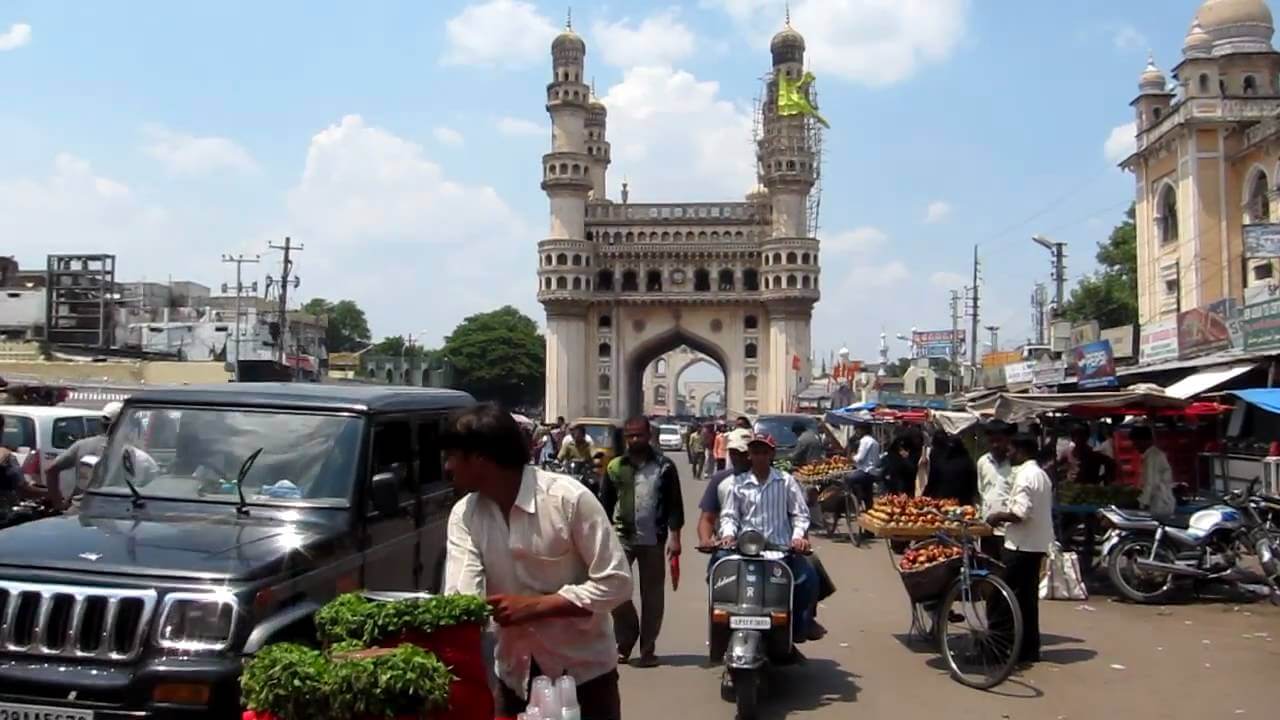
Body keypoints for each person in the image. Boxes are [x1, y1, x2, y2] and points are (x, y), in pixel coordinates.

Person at [443, 404, 632, 720]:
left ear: (480, 459)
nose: (447, 467)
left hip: (585, 677)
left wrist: (536, 606)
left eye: (452, 456)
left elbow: (617, 583)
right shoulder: (465, 515)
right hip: (515, 677)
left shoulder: (568, 499)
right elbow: (462, 598)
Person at [696, 429, 830, 640]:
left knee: (808, 579)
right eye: (755, 452)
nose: (759, 456)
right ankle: (722, 629)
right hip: (742, 550)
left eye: (764, 452)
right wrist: (728, 535)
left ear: (772, 454)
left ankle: (797, 627)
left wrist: (797, 537)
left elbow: (800, 515)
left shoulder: (785, 482)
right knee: (715, 570)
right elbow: (730, 515)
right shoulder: (737, 484)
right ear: (750, 454)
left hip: (780, 551)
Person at [600, 417, 684, 668]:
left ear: (649, 435)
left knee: (653, 596)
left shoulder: (665, 467)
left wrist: (675, 537)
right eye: (630, 436)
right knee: (616, 590)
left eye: (639, 435)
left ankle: (648, 648)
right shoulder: (615, 467)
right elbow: (604, 504)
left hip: (653, 538)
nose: (634, 440)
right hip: (621, 537)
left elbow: (674, 504)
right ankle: (625, 639)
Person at [985, 434, 1055, 665]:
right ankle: (1027, 650)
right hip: (1036, 546)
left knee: (1000, 597)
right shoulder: (1042, 475)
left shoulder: (1025, 476)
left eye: (1012, 449)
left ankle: (997, 649)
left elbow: (1020, 513)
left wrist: (997, 517)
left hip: (1020, 546)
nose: (1009, 453)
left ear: (1022, 451)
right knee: (1027, 600)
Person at [41, 401, 120, 507]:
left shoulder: (82, 445)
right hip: (115, 511)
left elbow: (50, 470)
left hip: (79, 510)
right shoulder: (130, 451)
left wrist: (58, 503)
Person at [976, 421, 1016, 558]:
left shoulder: (1015, 464)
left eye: (999, 441)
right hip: (987, 529)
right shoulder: (983, 462)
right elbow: (982, 491)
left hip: (1009, 532)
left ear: (1008, 440)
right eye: (992, 441)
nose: (995, 445)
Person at [923, 432, 978, 504]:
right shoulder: (968, 461)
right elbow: (973, 483)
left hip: (944, 501)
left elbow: (932, 480)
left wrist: (925, 495)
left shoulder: (942, 461)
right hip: (964, 502)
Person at [1133, 426, 1176, 518]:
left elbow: (1151, 483)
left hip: (1159, 504)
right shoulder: (1153, 454)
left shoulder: (1152, 456)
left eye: (1135, 442)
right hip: (1162, 502)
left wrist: (1142, 504)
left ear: (1143, 440)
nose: (1135, 446)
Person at [846, 422, 882, 510]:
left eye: (858, 429)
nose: (857, 431)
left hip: (865, 471)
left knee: (847, 478)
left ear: (863, 430)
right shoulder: (875, 442)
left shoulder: (864, 441)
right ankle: (868, 508)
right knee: (868, 494)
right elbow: (877, 461)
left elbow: (860, 458)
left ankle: (853, 501)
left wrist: (851, 457)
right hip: (873, 473)